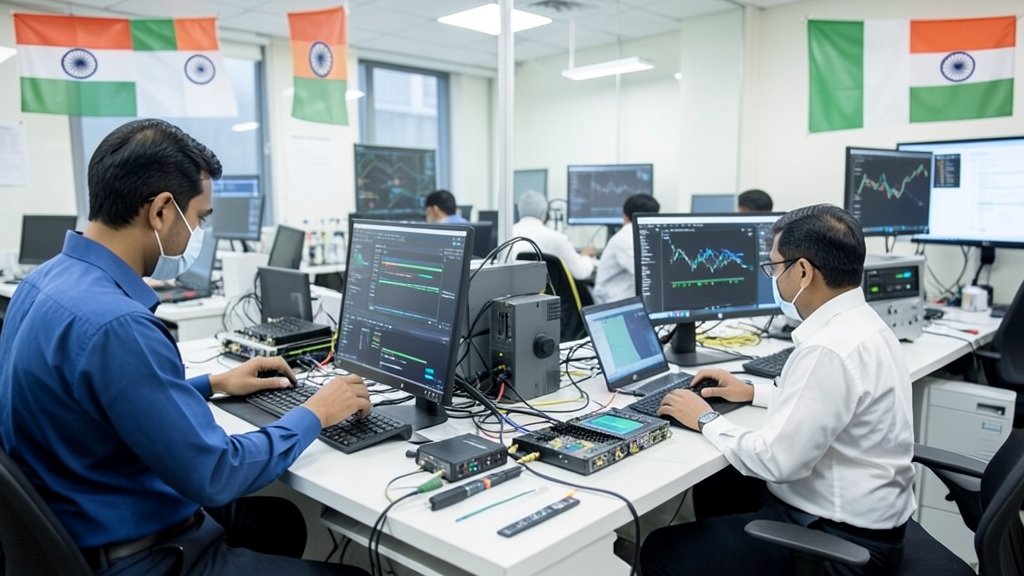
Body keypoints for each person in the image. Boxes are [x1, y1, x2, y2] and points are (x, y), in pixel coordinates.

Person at [0, 119, 369, 576]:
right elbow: (217, 473)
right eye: (199, 217)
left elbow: (94, 401)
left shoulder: (41, 283)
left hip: (81, 521)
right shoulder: (118, 325)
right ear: (160, 211)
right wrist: (316, 412)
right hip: (147, 557)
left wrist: (212, 383)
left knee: (281, 522)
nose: (198, 230)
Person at [640, 204, 916, 576]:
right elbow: (836, 403)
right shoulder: (865, 325)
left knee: (660, 550)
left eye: (774, 267)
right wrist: (752, 392)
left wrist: (705, 419)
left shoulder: (828, 349)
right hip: (871, 522)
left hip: (838, 543)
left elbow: (778, 462)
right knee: (719, 484)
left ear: (803, 271)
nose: (773, 277)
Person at [511, 190, 597, 281]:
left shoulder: (507, 235)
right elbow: (580, 273)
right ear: (544, 213)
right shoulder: (557, 238)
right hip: (550, 290)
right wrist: (585, 256)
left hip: (516, 289)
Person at [592, 193, 660, 304]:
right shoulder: (626, 238)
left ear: (625, 215)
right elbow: (646, 274)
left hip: (627, 297)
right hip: (613, 302)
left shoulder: (637, 234)